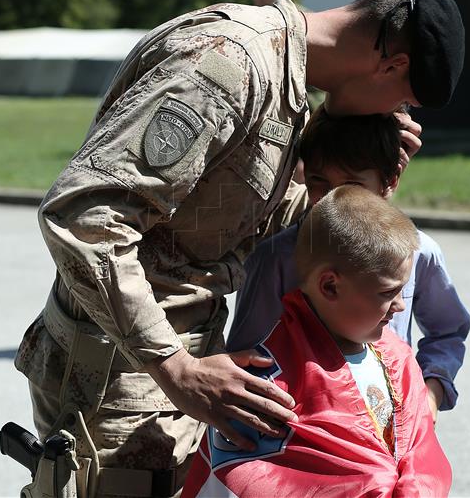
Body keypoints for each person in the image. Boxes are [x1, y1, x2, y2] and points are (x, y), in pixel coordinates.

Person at [14, 0, 464, 497]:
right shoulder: (230, 63)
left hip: (182, 363)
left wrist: (357, 191)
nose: (396, 114)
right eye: (404, 99)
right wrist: (176, 368)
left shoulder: (285, 86)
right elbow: (85, 214)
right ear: (393, 65)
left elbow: (235, 222)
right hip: (122, 370)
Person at [183, 185, 452, 497]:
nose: (400, 306)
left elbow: (421, 453)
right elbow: (242, 476)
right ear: (331, 287)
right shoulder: (270, 383)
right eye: (387, 292)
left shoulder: (400, 360)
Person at [227, 107, 470, 421]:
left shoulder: (418, 252)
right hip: (304, 435)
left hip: (391, 426)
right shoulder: (276, 258)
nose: (333, 199)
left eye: (352, 185)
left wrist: (431, 393)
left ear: (390, 180)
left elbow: (448, 330)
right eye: (319, 183)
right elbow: (250, 356)